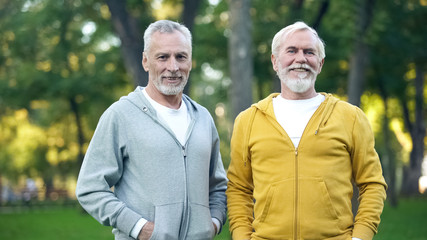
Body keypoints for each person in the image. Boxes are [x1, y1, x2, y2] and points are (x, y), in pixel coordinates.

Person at [226, 21, 387, 240]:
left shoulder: (350, 117)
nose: (300, 59)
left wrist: (361, 237)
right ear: (275, 61)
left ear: (320, 64)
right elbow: (238, 189)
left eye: (309, 52)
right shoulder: (248, 120)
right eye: (291, 50)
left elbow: (372, 183)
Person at [76, 20, 227, 240]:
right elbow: (90, 188)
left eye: (181, 57)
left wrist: (213, 223)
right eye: (163, 57)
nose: (173, 67)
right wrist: (140, 228)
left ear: (190, 62)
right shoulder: (121, 115)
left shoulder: (203, 117)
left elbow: (218, 186)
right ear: (146, 61)